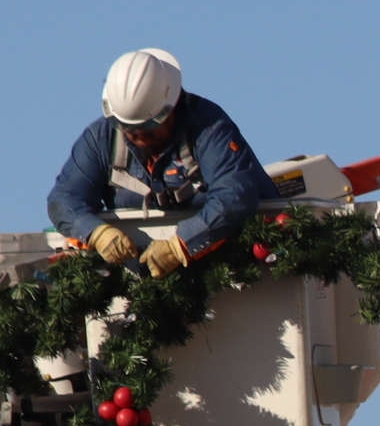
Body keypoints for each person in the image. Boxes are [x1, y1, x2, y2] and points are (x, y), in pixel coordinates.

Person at [48, 49, 277, 277]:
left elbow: (234, 194)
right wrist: (96, 233)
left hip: (237, 272)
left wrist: (182, 243)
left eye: (147, 127)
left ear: (171, 108)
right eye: (127, 128)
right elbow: (64, 198)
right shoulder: (102, 137)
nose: (138, 136)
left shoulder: (209, 128)